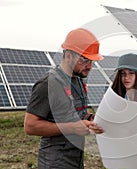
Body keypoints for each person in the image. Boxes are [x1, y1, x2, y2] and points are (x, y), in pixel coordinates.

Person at [24, 28, 104, 169]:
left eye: (92, 61)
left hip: (75, 159)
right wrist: (72, 128)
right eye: (85, 60)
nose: (90, 66)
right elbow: (30, 126)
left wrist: (91, 119)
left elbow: (75, 113)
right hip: (55, 162)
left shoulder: (79, 80)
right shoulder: (48, 84)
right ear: (68, 56)